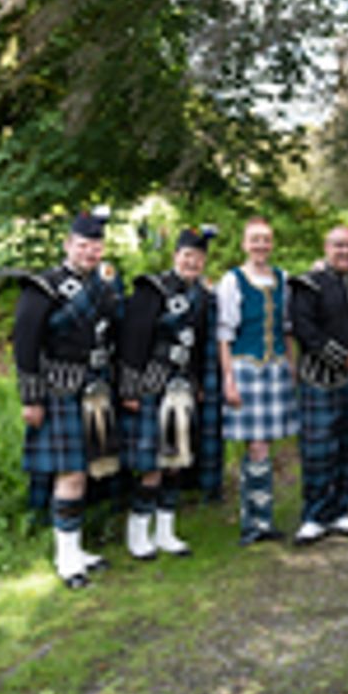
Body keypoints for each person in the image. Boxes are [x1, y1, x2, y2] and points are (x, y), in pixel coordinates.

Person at [12, 207, 123, 589]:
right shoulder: (43, 286)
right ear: (68, 244)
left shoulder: (106, 286)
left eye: (96, 246)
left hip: (97, 388)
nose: (90, 252)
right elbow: (25, 345)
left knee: (89, 471)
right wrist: (31, 398)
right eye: (83, 245)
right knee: (71, 473)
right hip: (59, 389)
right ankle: (66, 559)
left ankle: (76, 550)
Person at [116, 226, 219, 560]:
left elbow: (201, 346)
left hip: (183, 388)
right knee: (152, 465)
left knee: (176, 462)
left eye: (199, 257)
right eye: (187, 255)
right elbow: (133, 340)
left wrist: (199, 384)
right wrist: (130, 387)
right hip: (151, 385)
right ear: (176, 256)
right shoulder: (153, 289)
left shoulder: (204, 297)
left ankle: (165, 532)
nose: (193, 262)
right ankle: (138, 533)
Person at [288, 226, 348, 544]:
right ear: (326, 247)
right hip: (320, 379)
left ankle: (341, 510)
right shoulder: (308, 284)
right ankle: (314, 515)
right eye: (339, 246)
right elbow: (305, 330)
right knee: (318, 450)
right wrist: (342, 357)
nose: (346, 252)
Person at [217, 217, 299, 545]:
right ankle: (252, 521)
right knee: (255, 445)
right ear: (244, 244)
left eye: (265, 239)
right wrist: (228, 379)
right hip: (246, 369)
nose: (261, 245)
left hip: (276, 368)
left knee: (266, 446)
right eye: (254, 240)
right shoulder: (232, 280)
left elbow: (287, 328)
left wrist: (291, 366)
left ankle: (262, 520)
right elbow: (224, 335)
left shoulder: (283, 278)